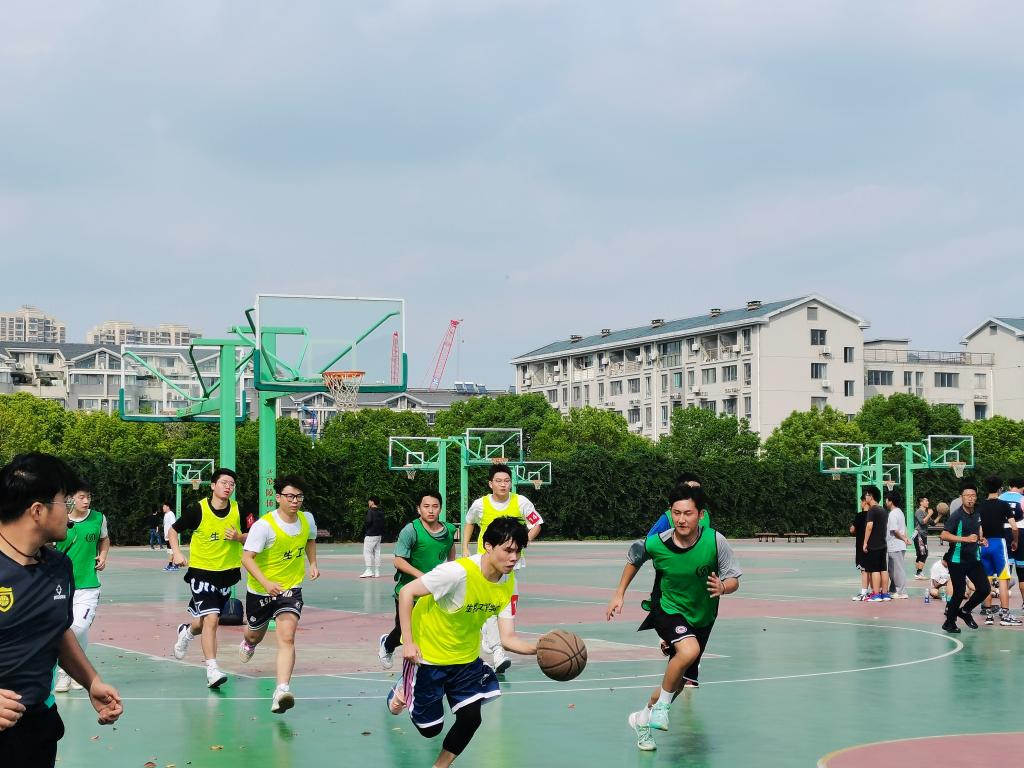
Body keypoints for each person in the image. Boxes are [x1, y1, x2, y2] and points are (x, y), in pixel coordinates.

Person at [0, 453, 122, 767]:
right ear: (37, 511)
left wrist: (92, 681)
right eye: (64, 503)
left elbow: (57, 631)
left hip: (38, 725)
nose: (69, 515)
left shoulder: (59, 566)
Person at [387, 516, 537, 768]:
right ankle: (403, 689)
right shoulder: (457, 573)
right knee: (430, 730)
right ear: (488, 546)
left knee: (471, 718)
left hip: (466, 660)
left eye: (518, 551)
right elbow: (406, 592)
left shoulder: (508, 583)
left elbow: (508, 638)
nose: (514, 558)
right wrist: (409, 643)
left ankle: (440, 766)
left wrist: (540, 649)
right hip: (428, 657)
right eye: (508, 550)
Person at [606, 484, 741, 752]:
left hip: (702, 616)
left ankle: (642, 718)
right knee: (689, 650)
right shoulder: (658, 542)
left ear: (700, 515)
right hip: (667, 608)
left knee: (677, 683)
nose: (681, 519)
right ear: (670, 512)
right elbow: (634, 558)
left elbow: (734, 578)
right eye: (676, 513)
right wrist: (619, 594)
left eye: (688, 513)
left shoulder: (716, 541)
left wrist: (723, 587)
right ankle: (662, 708)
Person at [238, 475, 319, 714]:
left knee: (287, 637)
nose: (295, 501)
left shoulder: (307, 519)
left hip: (290, 589)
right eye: (290, 496)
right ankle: (248, 643)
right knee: (254, 635)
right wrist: (265, 582)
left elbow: (310, 540)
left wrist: (313, 563)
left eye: (299, 497)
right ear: (278, 497)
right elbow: (246, 558)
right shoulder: (263, 526)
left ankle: (281, 690)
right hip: (260, 591)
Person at [167, 467, 247, 688]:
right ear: (213, 486)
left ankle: (186, 632)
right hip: (201, 573)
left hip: (227, 574)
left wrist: (239, 537)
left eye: (231, 484)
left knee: (202, 622)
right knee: (212, 619)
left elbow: (254, 534)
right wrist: (177, 553)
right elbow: (173, 531)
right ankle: (212, 670)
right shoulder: (198, 510)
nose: (228, 487)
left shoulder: (238, 510)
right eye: (224, 483)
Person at [462, 463, 543, 673]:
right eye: (498, 481)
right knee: (489, 605)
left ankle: (494, 642)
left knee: (505, 604)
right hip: (486, 565)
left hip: (510, 566)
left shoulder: (521, 502)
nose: (503, 484)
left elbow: (536, 523)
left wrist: (522, 541)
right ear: (491, 484)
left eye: (507, 481)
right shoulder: (480, 504)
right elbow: (469, 522)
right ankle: (498, 651)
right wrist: (465, 547)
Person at [378, 491, 456, 670]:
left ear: (440, 509)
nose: (431, 510)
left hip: (433, 591)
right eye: (426, 506)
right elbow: (398, 561)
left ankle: (427, 666)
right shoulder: (411, 530)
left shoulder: (449, 530)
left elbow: (450, 546)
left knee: (434, 629)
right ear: (418, 509)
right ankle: (387, 644)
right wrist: (423, 576)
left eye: (435, 506)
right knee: (404, 633)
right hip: (408, 590)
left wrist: (452, 568)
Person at [53, 481, 110, 692]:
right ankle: (79, 672)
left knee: (77, 628)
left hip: (88, 585)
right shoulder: (59, 519)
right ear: (71, 499)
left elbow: (104, 539)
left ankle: (65, 673)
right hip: (61, 586)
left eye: (89, 497)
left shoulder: (98, 518)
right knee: (74, 630)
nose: (86, 501)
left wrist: (103, 555)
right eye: (82, 497)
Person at [940, 479, 992, 633]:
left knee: (984, 589)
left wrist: (981, 539)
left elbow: (976, 530)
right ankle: (949, 623)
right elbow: (944, 535)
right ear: (961, 497)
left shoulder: (977, 513)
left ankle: (965, 611)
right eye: (967, 495)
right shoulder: (957, 515)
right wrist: (965, 539)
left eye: (973, 495)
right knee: (958, 592)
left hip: (973, 558)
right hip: (957, 559)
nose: (970, 498)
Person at [975, 475, 1020, 626]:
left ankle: (988, 615)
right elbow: (1014, 527)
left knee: (987, 579)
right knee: (1003, 579)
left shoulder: (980, 506)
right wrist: (1015, 541)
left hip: (985, 545)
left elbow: (979, 528)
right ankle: (1005, 615)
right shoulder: (1003, 505)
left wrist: (981, 539)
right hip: (999, 544)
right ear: (1000, 489)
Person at [861, 486, 891, 601]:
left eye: (867, 495)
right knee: (883, 569)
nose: (865, 497)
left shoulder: (872, 510)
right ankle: (885, 593)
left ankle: (876, 594)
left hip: (873, 544)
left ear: (871, 496)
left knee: (874, 570)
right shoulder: (883, 510)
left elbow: (869, 526)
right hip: (883, 543)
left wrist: (865, 542)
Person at [999, 478, 1024, 610]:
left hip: (1004, 533)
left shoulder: (1000, 498)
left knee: (1005, 573)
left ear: (1009, 486)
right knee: (1022, 573)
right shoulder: (1022, 499)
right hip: (1021, 532)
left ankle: (1004, 607)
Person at [884, 491, 910, 599]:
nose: (885, 501)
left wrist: (904, 539)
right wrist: (905, 538)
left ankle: (902, 592)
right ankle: (893, 589)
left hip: (895, 545)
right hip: (898, 545)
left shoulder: (893, 514)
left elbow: (894, 530)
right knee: (893, 569)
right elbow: (904, 527)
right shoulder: (900, 512)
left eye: (886, 499)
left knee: (897, 570)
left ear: (890, 501)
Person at [850, 495, 871, 601]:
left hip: (861, 545)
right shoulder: (874, 515)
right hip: (873, 545)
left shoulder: (860, 515)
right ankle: (874, 591)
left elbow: (852, 529)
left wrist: (853, 528)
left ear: (865, 502)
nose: (860, 504)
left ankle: (864, 592)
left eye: (861, 502)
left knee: (863, 570)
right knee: (872, 570)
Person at [360, 497, 384, 578]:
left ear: (372, 502)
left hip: (370, 535)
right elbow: (383, 523)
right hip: (378, 535)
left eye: (369, 501)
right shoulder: (381, 511)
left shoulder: (370, 511)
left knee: (367, 552)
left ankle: (368, 570)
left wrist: (366, 528)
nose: (368, 503)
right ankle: (377, 572)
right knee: (377, 553)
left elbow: (368, 521)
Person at [912, 496, 933, 579]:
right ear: (921, 503)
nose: (928, 502)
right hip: (919, 535)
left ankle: (918, 573)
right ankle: (918, 573)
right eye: (926, 501)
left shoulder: (925, 513)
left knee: (920, 554)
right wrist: (929, 514)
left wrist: (940, 515)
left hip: (923, 535)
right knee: (924, 554)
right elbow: (922, 522)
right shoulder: (919, 511)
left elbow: (933, 523)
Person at [162, 503, 177, 571]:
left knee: (172, 551)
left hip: (171, 536)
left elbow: (174, 524)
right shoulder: (166, 514)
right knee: (170, 551)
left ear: (168, 507)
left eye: (164, 507)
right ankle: (175, 564)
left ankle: (171, 565)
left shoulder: (171, 514)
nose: (163, 508)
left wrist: (170, 533)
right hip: (167, 536)